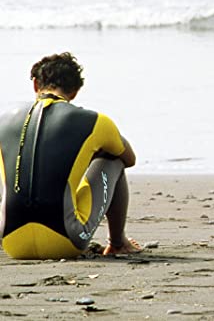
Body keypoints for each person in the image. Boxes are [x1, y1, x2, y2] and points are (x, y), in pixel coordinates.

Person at [0, 52, 141, 259]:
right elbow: (129, 159)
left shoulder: (3, 120)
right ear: (74, 92)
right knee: (113, 160)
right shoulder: (95, 121)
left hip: (12, 243)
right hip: (66, 240)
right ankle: (118, 243)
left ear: (36, 85)